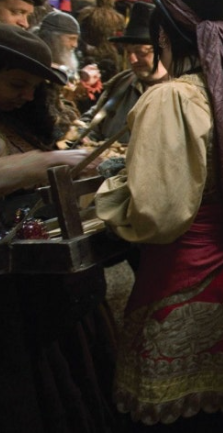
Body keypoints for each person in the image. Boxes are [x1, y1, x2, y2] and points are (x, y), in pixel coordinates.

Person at [95, 0, 223, 431]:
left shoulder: (172, 97)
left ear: (165, 38)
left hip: (180, 283)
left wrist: (113, 190)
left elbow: (157, 214)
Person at [0, 24, 120, 433]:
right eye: (17, 84)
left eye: (33, 88)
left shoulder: (17, 122)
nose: (26, 96)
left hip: (40, 286)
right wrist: (44, 162)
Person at [82, 1, 168, 144]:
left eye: (140, 52)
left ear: (163, 51)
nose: (132, 59)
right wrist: (82, 134)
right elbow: (92, 123)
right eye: (128, 52)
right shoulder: (121, 83)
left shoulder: (183, 92)